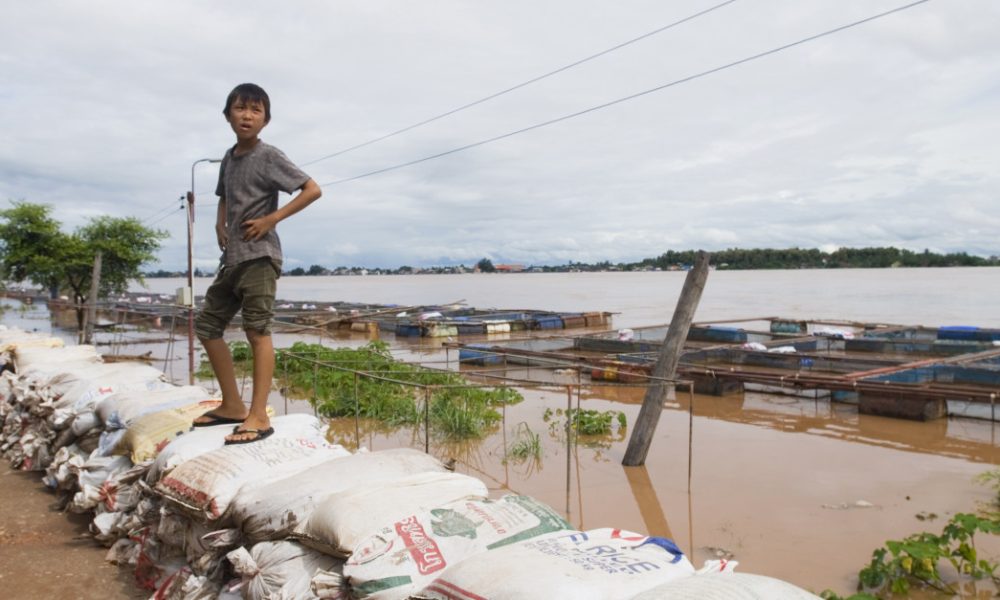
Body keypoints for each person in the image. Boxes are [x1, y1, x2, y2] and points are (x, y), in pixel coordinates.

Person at [192, 83, 322, 444]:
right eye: (240, 109)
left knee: (257, 331)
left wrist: (272, 219)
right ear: (227, 115)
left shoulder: (269, 156)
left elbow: (312, 189)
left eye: (255, 111)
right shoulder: (230, 157)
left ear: (265, 120)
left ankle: (259, 415)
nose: (247, 116)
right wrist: (219, 224)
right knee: (207, 325)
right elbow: (223, 197)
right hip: (232, 257)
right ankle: (232, 405)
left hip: (260, 256)